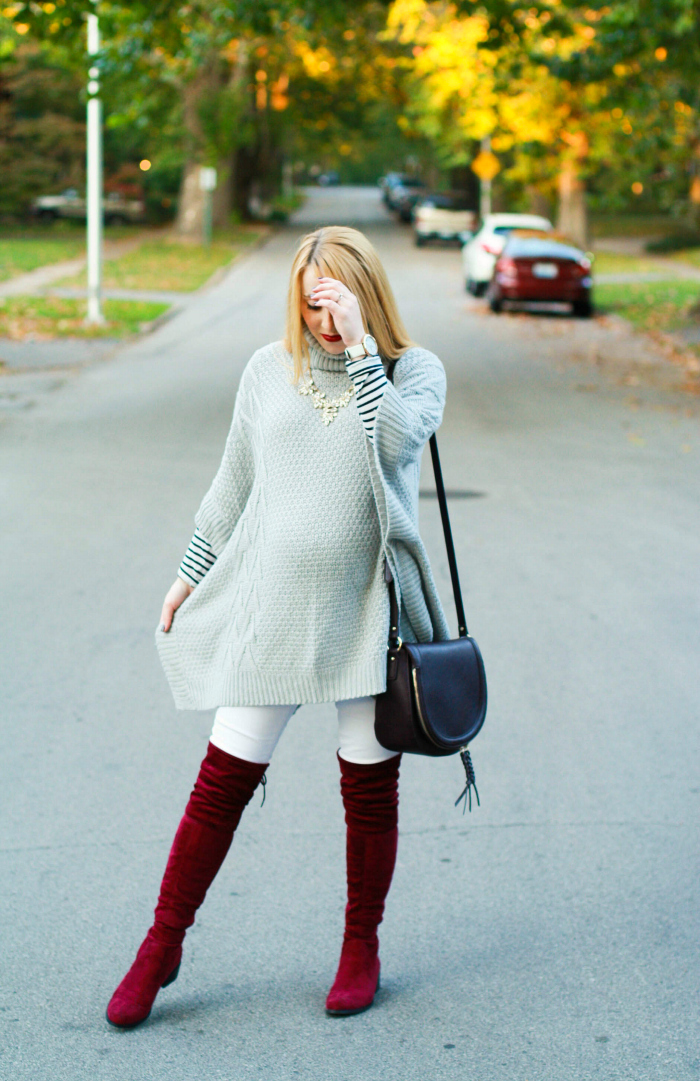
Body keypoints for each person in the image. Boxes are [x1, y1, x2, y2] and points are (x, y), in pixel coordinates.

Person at [106, 225, 449, 1029]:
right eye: (313, 299)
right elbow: (232, 483)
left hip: (373, 617)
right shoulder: (269, 369)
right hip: (275, 613)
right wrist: (187, 573)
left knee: (368, 793)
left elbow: (397, 443)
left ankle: (360, 944)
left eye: (339, 297)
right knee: (222, 781)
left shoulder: (413, 370)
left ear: (365, 292)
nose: (324, 316)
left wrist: (364, 351)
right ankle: (162, 943)